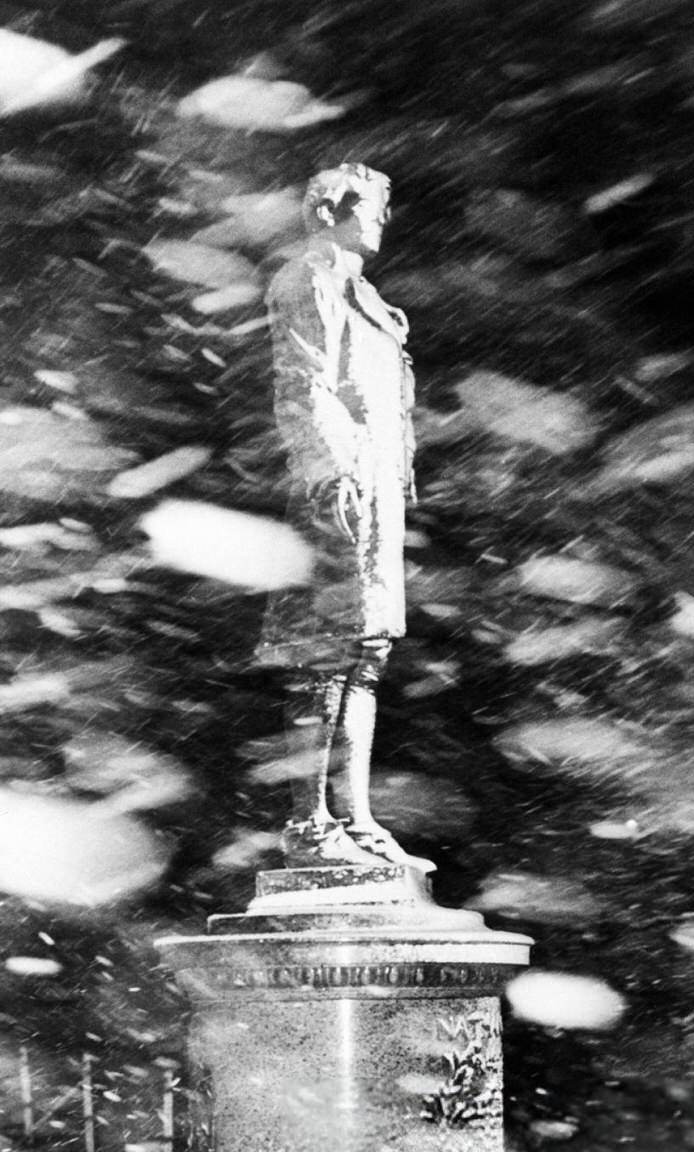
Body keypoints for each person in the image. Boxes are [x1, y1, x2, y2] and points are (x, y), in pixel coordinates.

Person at [255, 161, 427, 870]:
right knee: (325, 651)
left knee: (366, 650)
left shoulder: (369, 298)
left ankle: (354, 819)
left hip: (376, 486)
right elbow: (304, 383)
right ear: (332, 211)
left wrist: (387, 480)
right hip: (340, 482)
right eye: (372, 206)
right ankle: (310, 822)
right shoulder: (309, 281)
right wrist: (336, 472)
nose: (382, 219)